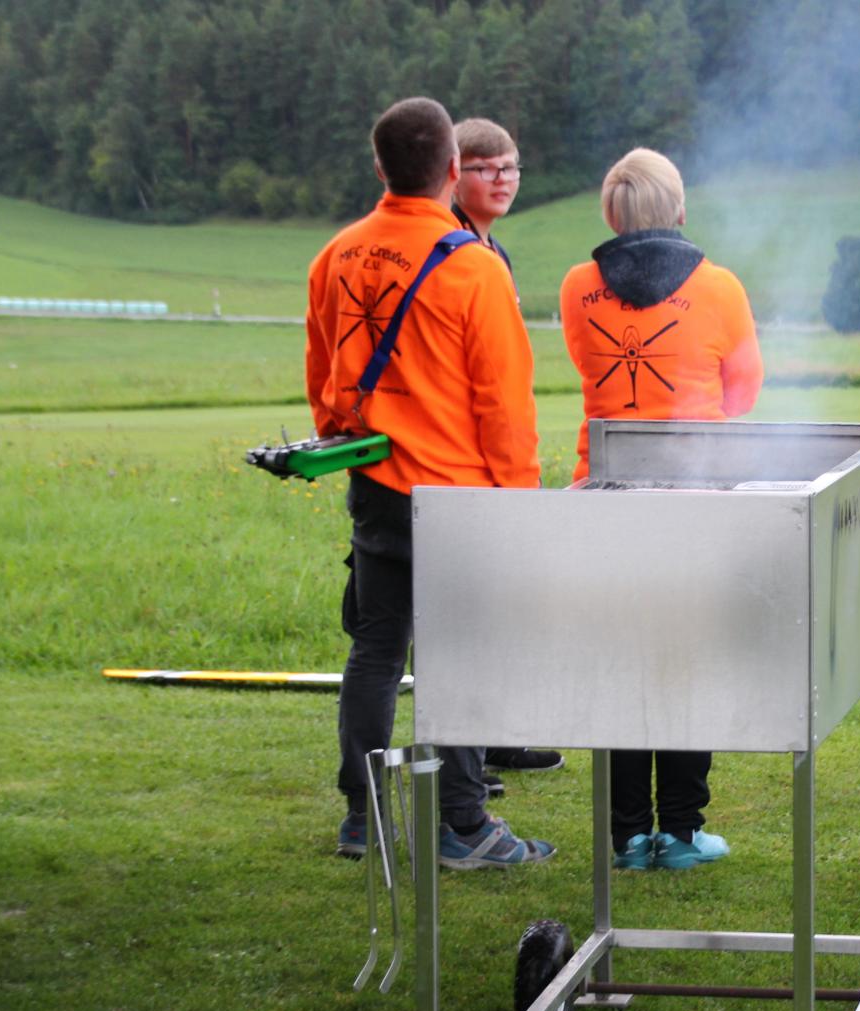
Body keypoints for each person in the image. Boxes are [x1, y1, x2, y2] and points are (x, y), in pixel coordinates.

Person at [307, 96, 554, 869]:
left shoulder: (337, 253)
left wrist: (347, 433)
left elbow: (323, 376)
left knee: (376, 650)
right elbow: (504, 404)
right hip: (460, 495)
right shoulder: (474, 267)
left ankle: (363, 817)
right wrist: (519, 503)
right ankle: (463, 826)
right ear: (451, 168)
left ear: (379, 166)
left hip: (377, 483)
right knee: (463, 655)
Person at [558, 147, 763, 870]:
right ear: (679, 209)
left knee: (620, 665)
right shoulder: (720, 287)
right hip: (692, 500)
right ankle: (680, 832)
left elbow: (586, 367)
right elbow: (744, 391)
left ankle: (625, 835)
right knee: (686, 663)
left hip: (603, 496)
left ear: (611, 213)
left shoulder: (576, 286)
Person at [449, 114, 566, 782]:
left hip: (500, 448)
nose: (502, 179)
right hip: (465, 457)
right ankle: (463, 763)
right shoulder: (453, 250)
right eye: (485, 168)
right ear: (453, 174)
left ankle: (495, 738)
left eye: (511, 167)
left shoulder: (495, 251)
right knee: (470, 612)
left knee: (500, 606)